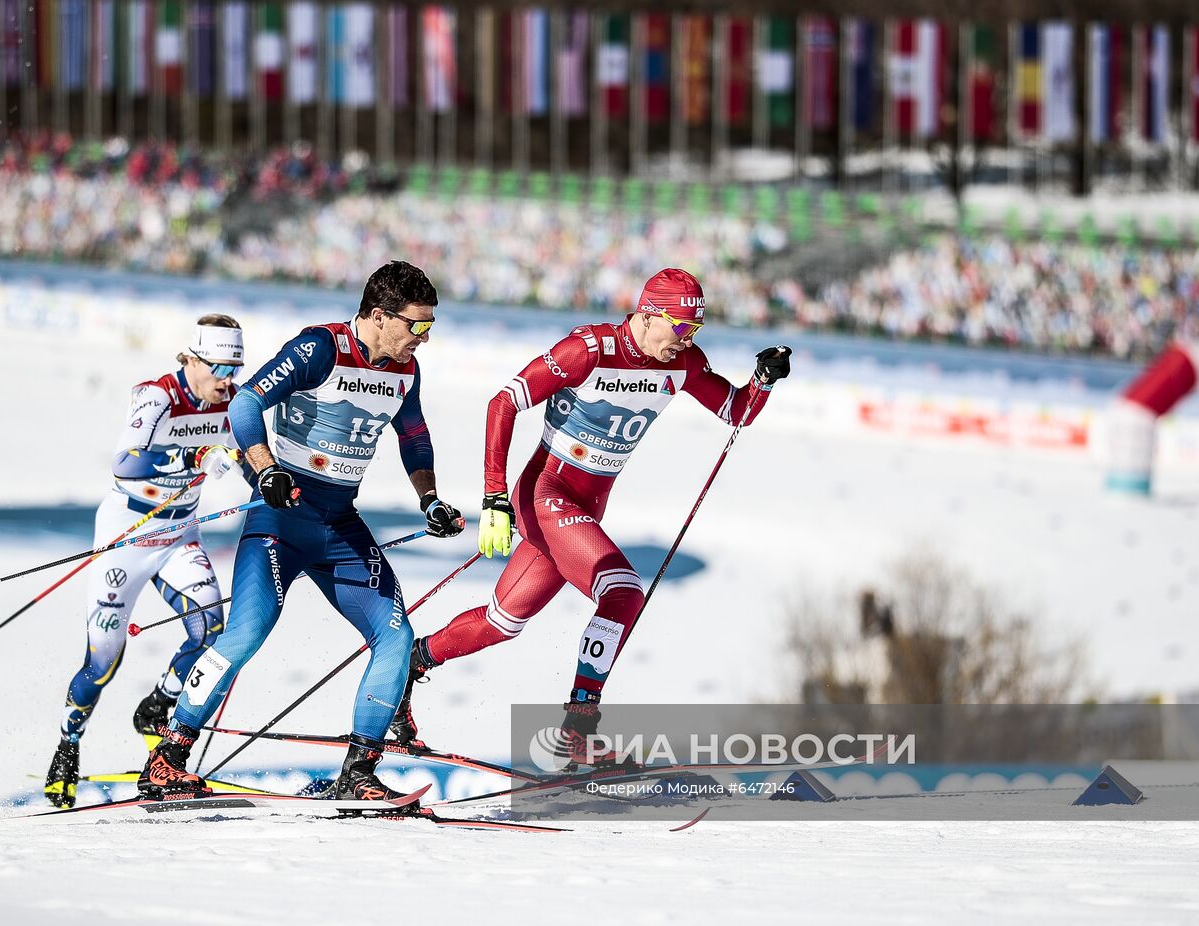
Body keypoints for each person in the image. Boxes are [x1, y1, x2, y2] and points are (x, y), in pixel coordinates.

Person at [391, 268, 790, 768]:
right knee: (622, 592)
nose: (686, 340)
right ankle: (578, 730)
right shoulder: (589, 350)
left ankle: (407, 664)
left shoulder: (684, 362)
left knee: (502, 622)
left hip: (583, 510)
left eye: (696, 331)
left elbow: (737, 412)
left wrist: (763, 381)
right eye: (681, 327)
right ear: (648, 314)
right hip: (547, 495)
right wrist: (494, 498)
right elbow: (503, 403)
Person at [137, 261, 464, 803]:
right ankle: (167, 758)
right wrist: (266, 468)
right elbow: (245, 404)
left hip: (339, 524)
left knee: (395, 635)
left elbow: (414, 435)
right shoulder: (319, 349)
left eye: (430, 327)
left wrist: (429, 499)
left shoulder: (406, 370)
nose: (423, 339)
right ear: (380, 317)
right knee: (244, 635)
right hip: (280, 518)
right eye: (417, 326)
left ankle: (358, 773)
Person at [45, 315, 246, 808]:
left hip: (180, 533)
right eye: (220, 365)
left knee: (211, 630)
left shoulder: (234, 402)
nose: (227, 376)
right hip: (127, 534)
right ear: (193, 358)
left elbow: (244, 453)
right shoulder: (157, 397)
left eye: (235, 365)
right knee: (102, 661)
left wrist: (259, 473)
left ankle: (157, 707)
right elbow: (125, 463)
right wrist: (196, 458)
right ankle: (68, 745)